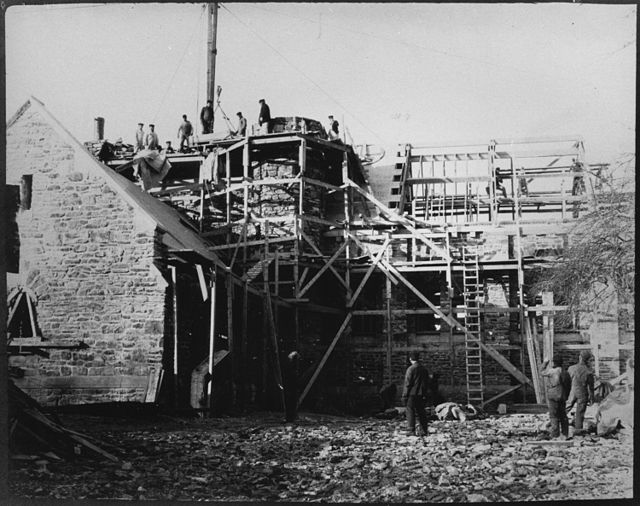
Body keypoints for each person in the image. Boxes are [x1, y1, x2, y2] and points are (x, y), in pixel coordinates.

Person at [540, 355, 571, 439]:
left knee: (554, 415)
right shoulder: (566, 372)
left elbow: (541, 372)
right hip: (562, 396)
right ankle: (565, 434)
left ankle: (555, 434)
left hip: (553, 395)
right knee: (563, 415)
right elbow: (569, 386)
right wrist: (566, 396)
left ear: (554, 362)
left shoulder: (552, 371)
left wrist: (545, 362)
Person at [401, 351, 430, 436]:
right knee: (421, 412)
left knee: (410, 411)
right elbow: (427, 382)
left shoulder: (410, 369)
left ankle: (411, 430)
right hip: (422, 394)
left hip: (412, 394)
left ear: (410, 359)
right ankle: (424, 430)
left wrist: (404, 395)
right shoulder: (424, 369)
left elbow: (407, 384)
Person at [567, 350, 595, 435]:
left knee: (566, 408)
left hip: (572, 391)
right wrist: (592, 398)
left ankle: (553, 423)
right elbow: (591, 387)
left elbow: (567, 381)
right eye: (590, 360)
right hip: (582, 392)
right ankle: (578, 430)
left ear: (580, 358)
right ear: (587, 360)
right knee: (580, 412)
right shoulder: (588, 371)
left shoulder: (571, 368)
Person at [284, 351, 301, 422]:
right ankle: (290, 417)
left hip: (292, 387)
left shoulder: (293, 368)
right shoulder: (292, 368)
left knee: (292, 402)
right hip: (291, 387)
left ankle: (291, 417)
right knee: (291, 402)